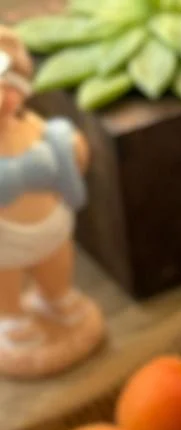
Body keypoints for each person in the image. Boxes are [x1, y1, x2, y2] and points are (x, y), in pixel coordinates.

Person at [0, 26, 104, 377]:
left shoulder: (30, 124)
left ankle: (55, 295)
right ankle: (10, 317)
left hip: (51, 223)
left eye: (5, 82)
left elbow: (62, 147)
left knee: (57, 260)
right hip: (4, 237)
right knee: (4, 279)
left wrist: (73, 149)